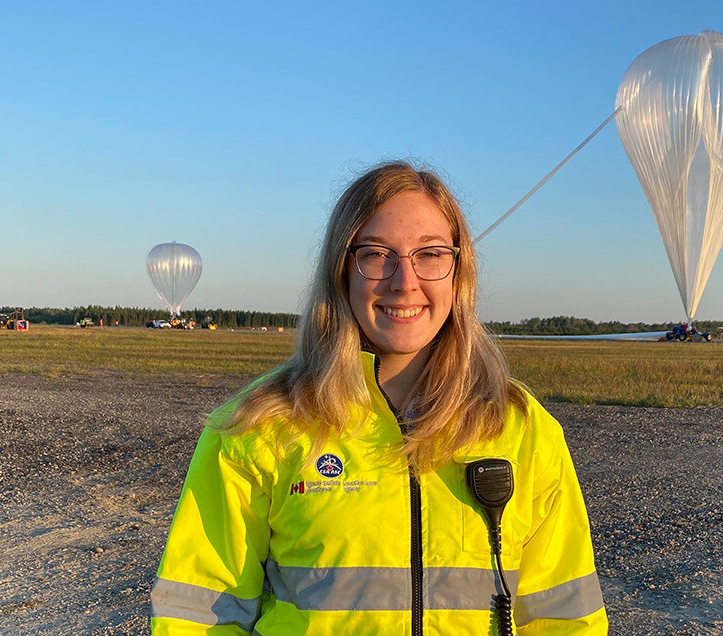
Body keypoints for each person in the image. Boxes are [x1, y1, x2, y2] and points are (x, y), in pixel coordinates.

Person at [151, 161, 607, 635]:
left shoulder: (521, 428)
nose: (404, 281)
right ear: (341, 268)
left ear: (458, 270)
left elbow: (566, 619)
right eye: (376, 254)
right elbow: (197, 615)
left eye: (429, 254)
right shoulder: (257, 426)